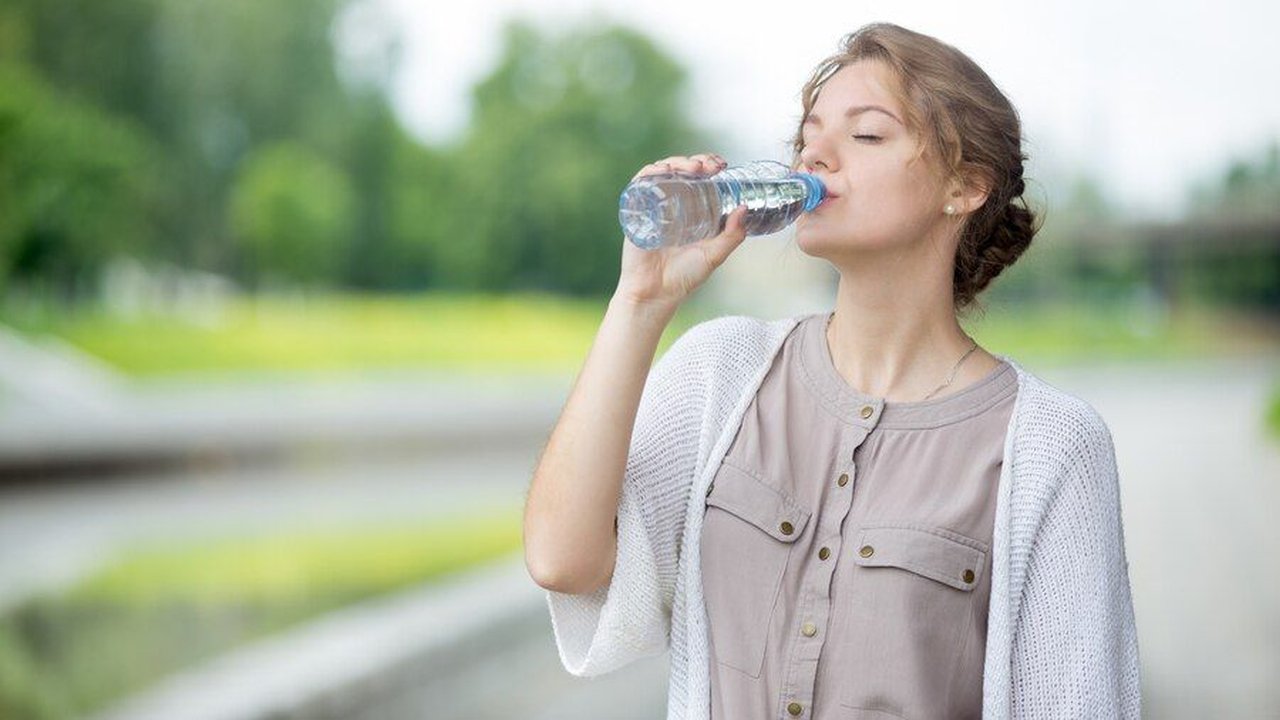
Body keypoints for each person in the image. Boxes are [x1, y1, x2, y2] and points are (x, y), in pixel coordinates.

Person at [524, 22, 1141, 720]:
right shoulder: (723, 370)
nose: (815, 153)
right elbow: (562, 562)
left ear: (964, 186)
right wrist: (640, 302)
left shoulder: (1053, 446)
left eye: (867, 135)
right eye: (808, 134)